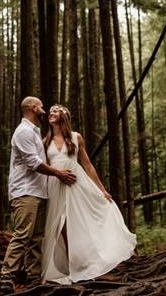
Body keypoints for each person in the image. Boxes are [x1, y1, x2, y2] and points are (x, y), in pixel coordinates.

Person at [41, 104, 136, 284]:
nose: (51, 112)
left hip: (77, 184)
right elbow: (45, 167)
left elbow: (87, 165)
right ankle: (72, 264)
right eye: (51, 111)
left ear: (65, 115)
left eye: (56, 110)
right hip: (56, 186)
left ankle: (86, 262)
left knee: (79, 222)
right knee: (60, 227)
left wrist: (102, 189)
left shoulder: (76, 137)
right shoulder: (46, 140)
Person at [0, 96, 77, 294]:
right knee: (23, 234)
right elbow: (33, 163)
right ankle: (7, 276)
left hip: (40, 192)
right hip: (25, 191)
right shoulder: (23, 132)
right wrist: (58, 173)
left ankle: (33, 276)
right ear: (34, 108)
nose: (44, 109)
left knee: (37, 237)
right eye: (42, 106)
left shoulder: (34, 132)